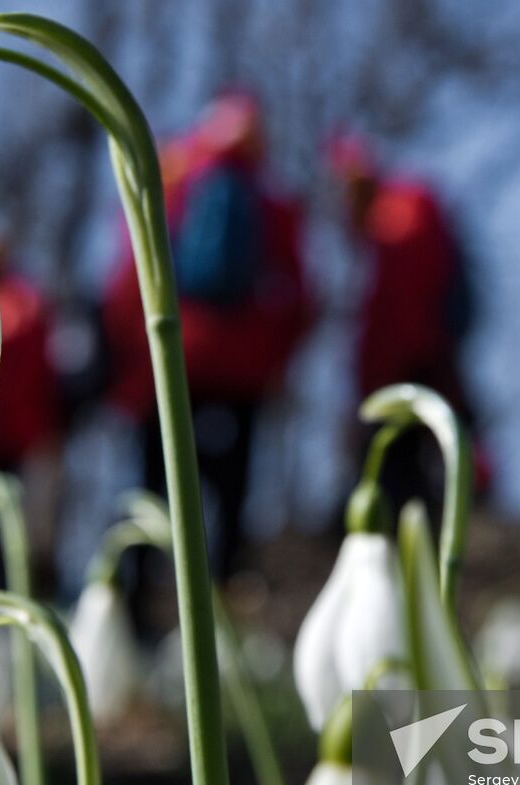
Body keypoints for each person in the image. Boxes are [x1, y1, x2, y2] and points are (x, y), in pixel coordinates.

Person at [102, 90, 314, 583]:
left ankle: (133, 604)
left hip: (173, 361)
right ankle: (224, 609)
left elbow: (128, 281)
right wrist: (275, 362)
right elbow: (301, 297)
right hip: (243, 374)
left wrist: (131, 365)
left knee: (153, 488)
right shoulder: (273, 201)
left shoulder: (172, 181)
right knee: (230, 494)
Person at [327, 135, 486, 517]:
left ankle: (436, 526)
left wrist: (379, 380)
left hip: (410, 367)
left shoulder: (394, 216)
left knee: (406, 465)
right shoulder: (387, 220)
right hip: (415, 361)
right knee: (418, 464)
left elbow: (402, 308)